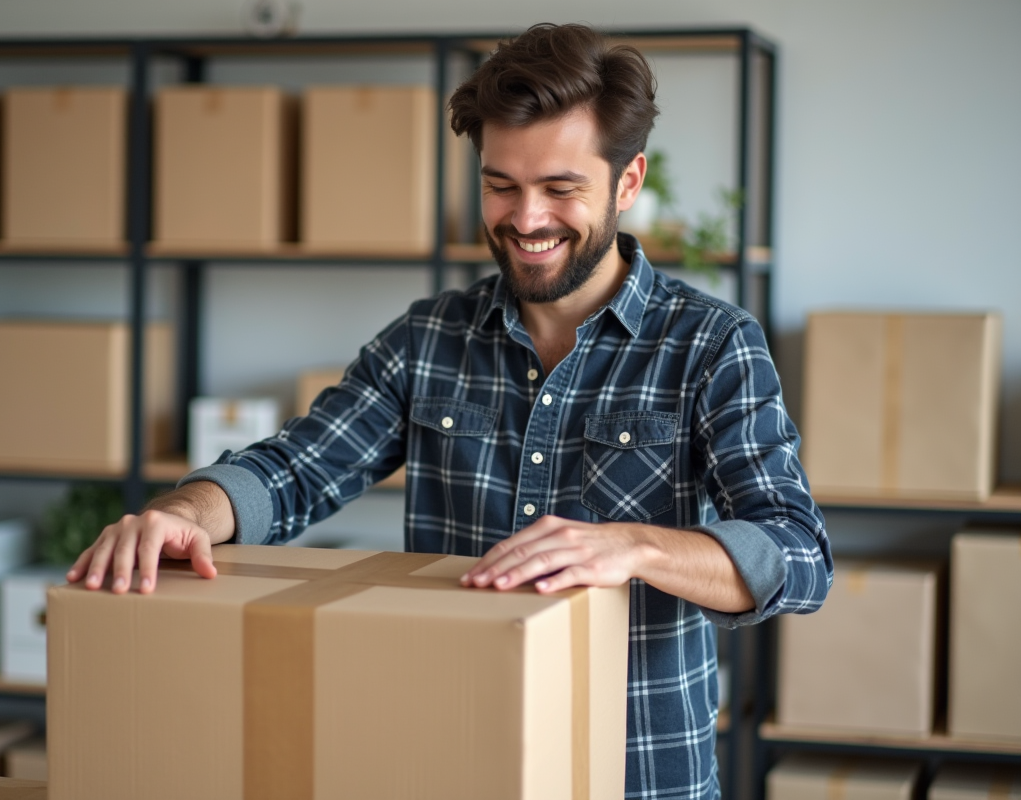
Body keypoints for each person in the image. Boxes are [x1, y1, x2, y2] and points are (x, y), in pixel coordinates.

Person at [67, 22, 831, 798]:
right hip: (447, 760)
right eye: (502, 185)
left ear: (627, 183)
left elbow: (797, 552)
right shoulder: (428, 338)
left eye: (562, 189)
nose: (526, 219)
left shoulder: (711, 343)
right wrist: (188, 511)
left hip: (635, 776)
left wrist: (635, 547)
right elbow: (295, 468)